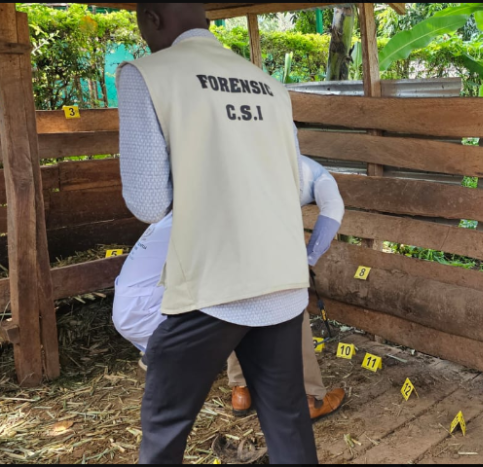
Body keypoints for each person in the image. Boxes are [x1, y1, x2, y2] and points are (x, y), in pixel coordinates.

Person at [117, 3, 317, 464]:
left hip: (213, 286)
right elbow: (292, 180)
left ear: (152, 18)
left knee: (164, 428)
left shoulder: (147, 74)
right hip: (281, 281)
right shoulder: (267, 83)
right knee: (288, 421)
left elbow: (147, 204)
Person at [113, 156, 346, 421]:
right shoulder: (319, 176)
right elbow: (332, 210)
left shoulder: (237, 163)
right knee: (290, 301)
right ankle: (309, 398)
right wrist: (307, 258)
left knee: (234, 298)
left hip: (144, 292)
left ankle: (241, 389)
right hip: (167, 300)